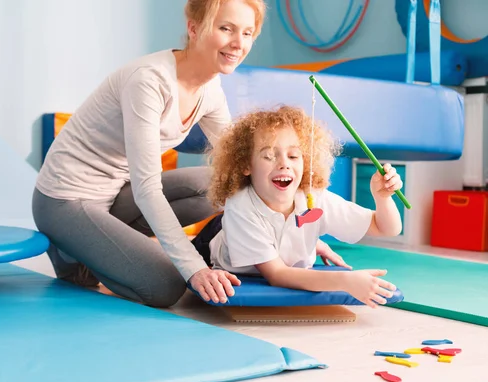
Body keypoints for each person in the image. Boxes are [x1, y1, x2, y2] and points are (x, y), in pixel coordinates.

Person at [32, 0, 342, 308]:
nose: (238, 43)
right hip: (65, 201)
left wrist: (301, 232)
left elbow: (247, 166)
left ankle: (95, 244)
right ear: (194, 28)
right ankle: (73, 251)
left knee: (223, 180)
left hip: (114, 197)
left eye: (247, 33)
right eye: (226, 29)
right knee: (166, 285)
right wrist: (194, 268)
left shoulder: (210, 89)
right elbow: (148, 189)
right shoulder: (149, 81)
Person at [192, 105, 404, 308]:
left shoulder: (315, 199)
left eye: (293, 156)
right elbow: (277, 275)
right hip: (216, 238)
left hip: (264, 240)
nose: (284, 163)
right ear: (246, 165)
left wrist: (383, 198)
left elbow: (385, 228)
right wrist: (345, 281)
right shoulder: (239, 207)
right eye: (268, 156)